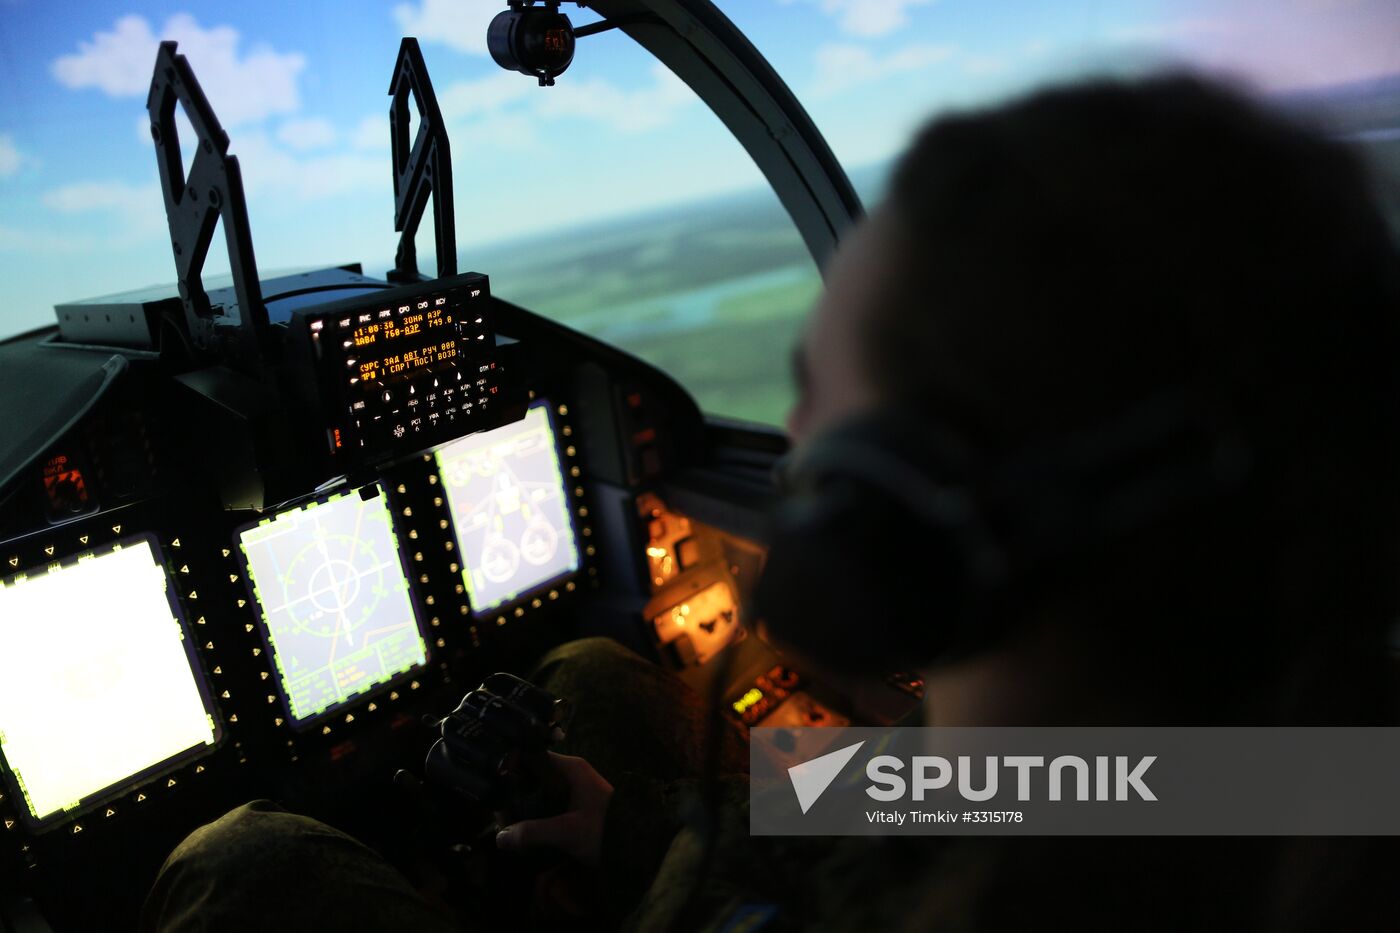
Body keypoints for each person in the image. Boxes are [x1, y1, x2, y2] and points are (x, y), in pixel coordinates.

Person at [142, 73, 1400, 932]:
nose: (794, 452)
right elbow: (957, 799)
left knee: (243, 861)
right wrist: (632, 836)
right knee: (585, 667)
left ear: (918, 508)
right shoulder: (1283, 770)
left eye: (828, 418)